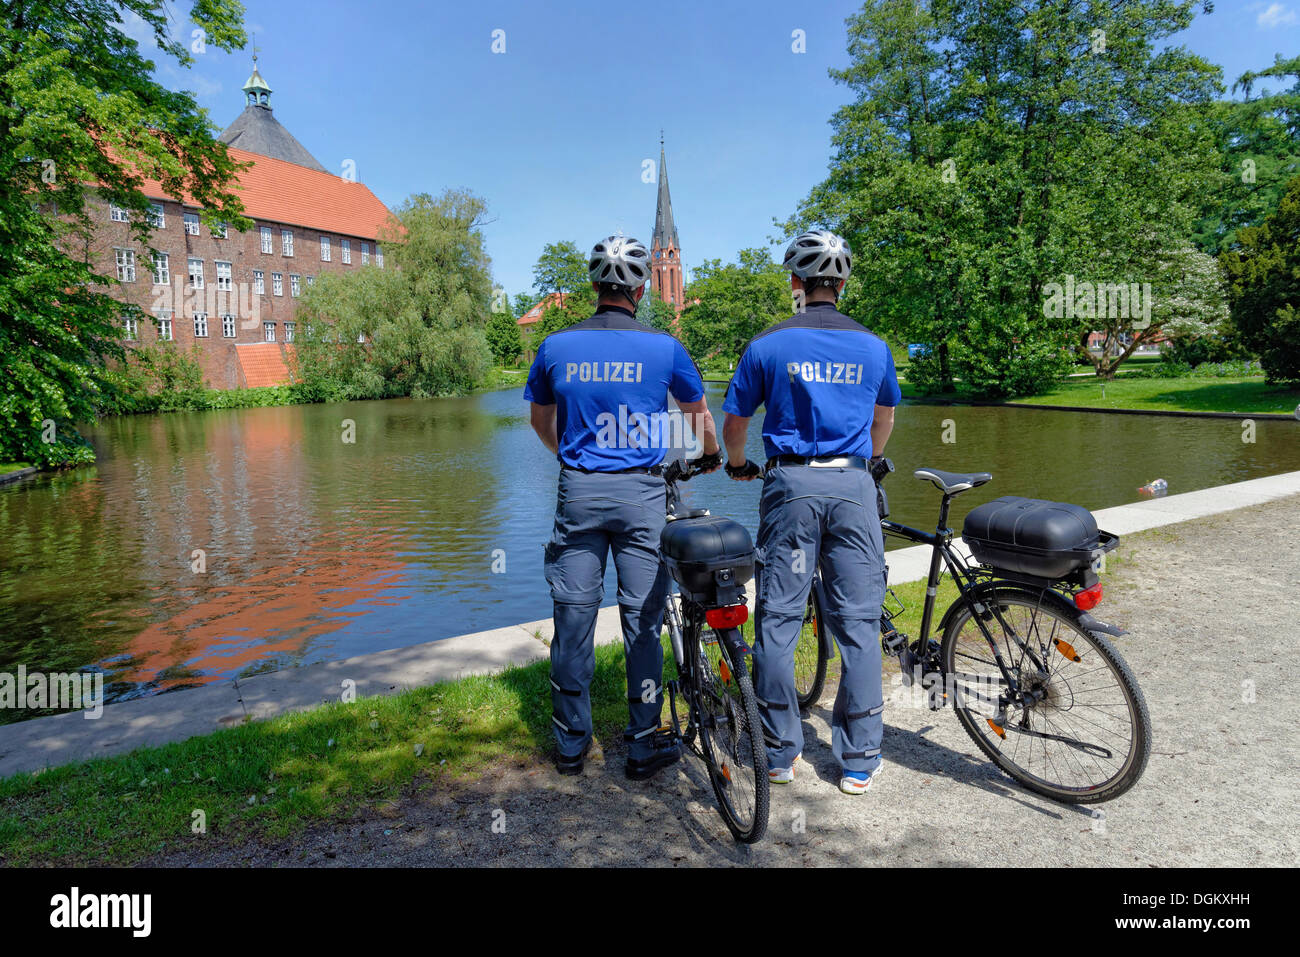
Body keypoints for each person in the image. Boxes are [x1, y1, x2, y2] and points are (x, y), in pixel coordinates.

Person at [524, 235, 722, 780]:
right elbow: (698, 415)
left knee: (574, 615)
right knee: (643, 620)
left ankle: (570, 745)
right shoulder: (665, 348)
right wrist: (710, 455)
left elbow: (542, 423)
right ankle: (640, 743)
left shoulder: (556, 346)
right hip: (642, 496)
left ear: (594, 286)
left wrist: (572, 456)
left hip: (580, 493)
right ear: (639, 288)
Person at [720, 229, 901, 795]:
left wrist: (736, 462)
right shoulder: (873, 346)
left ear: (795, 283)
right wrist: (865, 464)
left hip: (791, 486)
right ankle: (859, 759)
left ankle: (778, 753)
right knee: (858, 623)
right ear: (842, 284)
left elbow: (736, 423)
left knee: (779, 618)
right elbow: (883, 419)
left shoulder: (768, 344)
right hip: (852, 486)